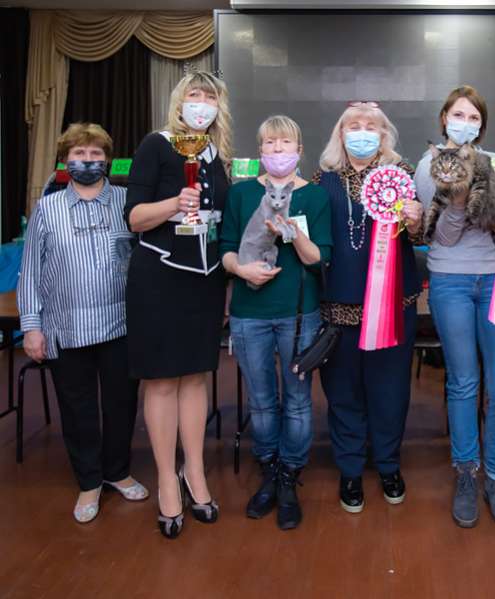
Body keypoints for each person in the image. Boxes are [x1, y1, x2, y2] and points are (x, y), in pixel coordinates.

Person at [18, 123, 145, 523]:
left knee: (122, 404)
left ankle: (117, 472)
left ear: (107, 159)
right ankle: (89, 481)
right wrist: (31, 326)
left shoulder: (127, 202)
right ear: (65, 160)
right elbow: (31, 272)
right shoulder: (48, 208)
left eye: (95, 154)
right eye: (78, 154)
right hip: (65, 327)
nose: (87, 161)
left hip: (121, 324)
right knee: (78, 408)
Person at [125, 71, 232, 539]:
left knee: (195, 377)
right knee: (162, 381)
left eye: (210, 96)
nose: (201, 103)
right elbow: (134, 217)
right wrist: (174, 203)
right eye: (194, 94)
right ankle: (167, 478)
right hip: (159, 277)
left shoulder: (216, 155)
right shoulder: (157, 144)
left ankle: (195, 471)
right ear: (179, 100)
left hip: (205, 281)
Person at [413, 86, 495, 528]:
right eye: (459, 115)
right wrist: (457, 203)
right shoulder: (428, 165)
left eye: (474, 117)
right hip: (450, 279)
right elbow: (441, 235)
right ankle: (467, 472)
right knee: (463, 382)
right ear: (444, 118)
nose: (466, 123)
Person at [220, 115, 332, 530]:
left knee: (299, 400)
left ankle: (290, 473)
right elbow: (226, 248)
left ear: (299, 150)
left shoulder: (315, 197)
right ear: (260, 151)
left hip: (299, 313)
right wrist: (241, 269)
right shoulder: (241, 193)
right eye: (270, 143)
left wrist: (292, 233)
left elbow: (319, 258)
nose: (278, 150)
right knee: (262, 401)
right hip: (250, 313)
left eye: (286, 143)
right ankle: (269, 467)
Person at [312, 101, 423, 514]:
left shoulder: (403, 175)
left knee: (390, 390)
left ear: (384, 134)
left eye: (371, 126)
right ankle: (350, 469)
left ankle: (389, 464)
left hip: (393, 306)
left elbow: (419, 235)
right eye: (353, 125)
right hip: (337, 307)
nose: (362, 132)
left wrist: (415, 219)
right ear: (340, 134)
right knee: (343, 392)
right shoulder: (321, 180)